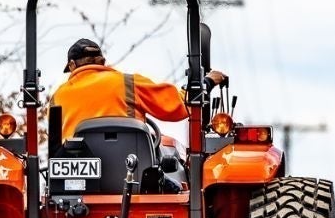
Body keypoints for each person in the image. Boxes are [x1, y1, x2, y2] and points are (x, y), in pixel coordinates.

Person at [51, 37, 227, 140]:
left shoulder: (58, 96)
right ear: (103, 62)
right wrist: (207, 82)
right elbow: (181, 105)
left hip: (73, 182)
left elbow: (55, 144)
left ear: (72, 65)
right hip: (129, 174)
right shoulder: (128, 83)